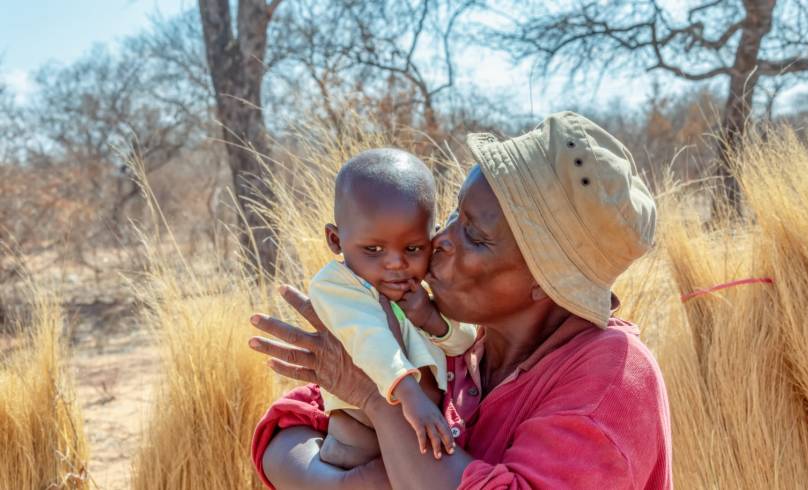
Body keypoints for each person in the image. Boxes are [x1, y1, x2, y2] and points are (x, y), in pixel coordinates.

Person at [249, 111, 672, 489]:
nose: (439, 241)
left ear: (547, 281)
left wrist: (380, 400)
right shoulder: (463, 340)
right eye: (453, 215)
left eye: (475, 235)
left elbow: (362, 397)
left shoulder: (612, 381)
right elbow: (294, 421)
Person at [306, 149, 477, 464]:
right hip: (358, 440)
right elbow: (369, 337)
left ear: (433, 237)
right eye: (373, 249)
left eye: (413, 248)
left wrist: (430, 318)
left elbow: (467, 342)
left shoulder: (423, 289)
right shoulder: (336, 285)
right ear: (335, 239)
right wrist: (411, 396)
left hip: (423, 432)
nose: (396, 264)